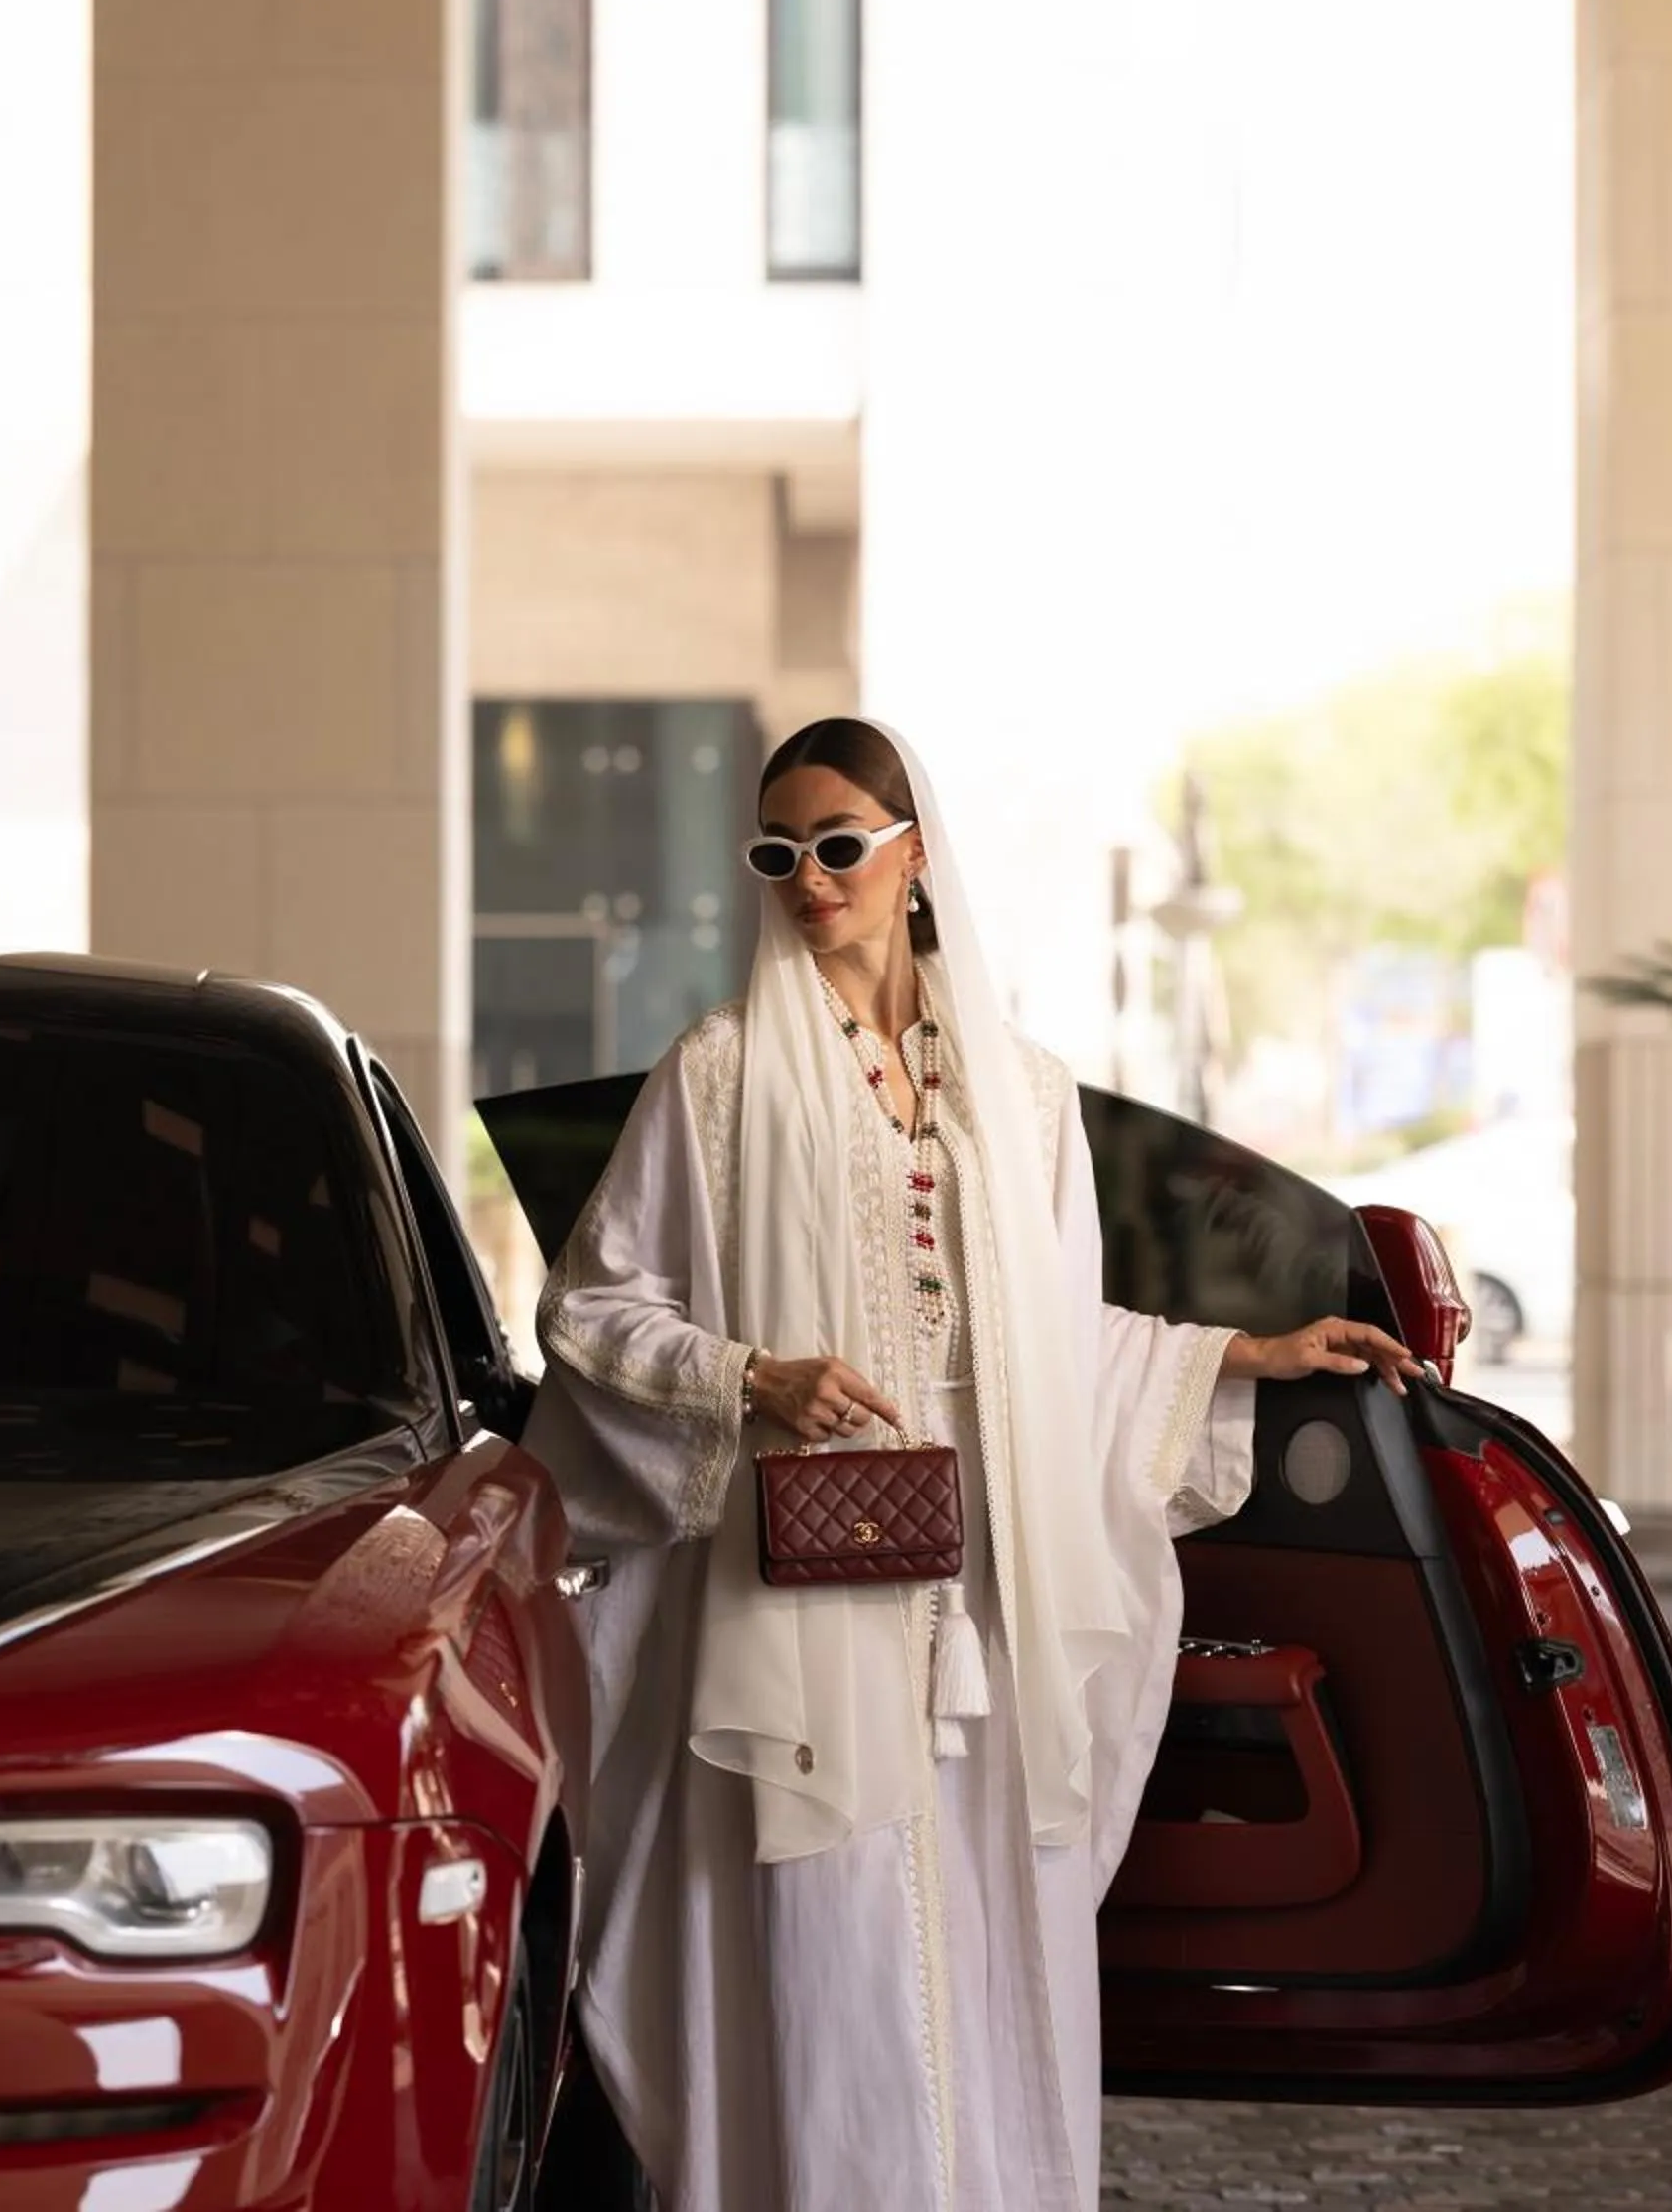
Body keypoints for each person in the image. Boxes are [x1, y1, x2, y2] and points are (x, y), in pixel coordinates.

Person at [527, 716, 1420, 2212]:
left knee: (988, 1911)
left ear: (915, 854)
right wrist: (753, 1376)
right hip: (801, 1584)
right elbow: (593, 1312)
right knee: (832, 1925)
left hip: (984, 1579)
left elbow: (1051, 1337)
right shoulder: (720, 1076)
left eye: (839, 845)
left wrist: (1239, 1355)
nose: (809, 880)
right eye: (777, 852)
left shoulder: (1024, 1092)